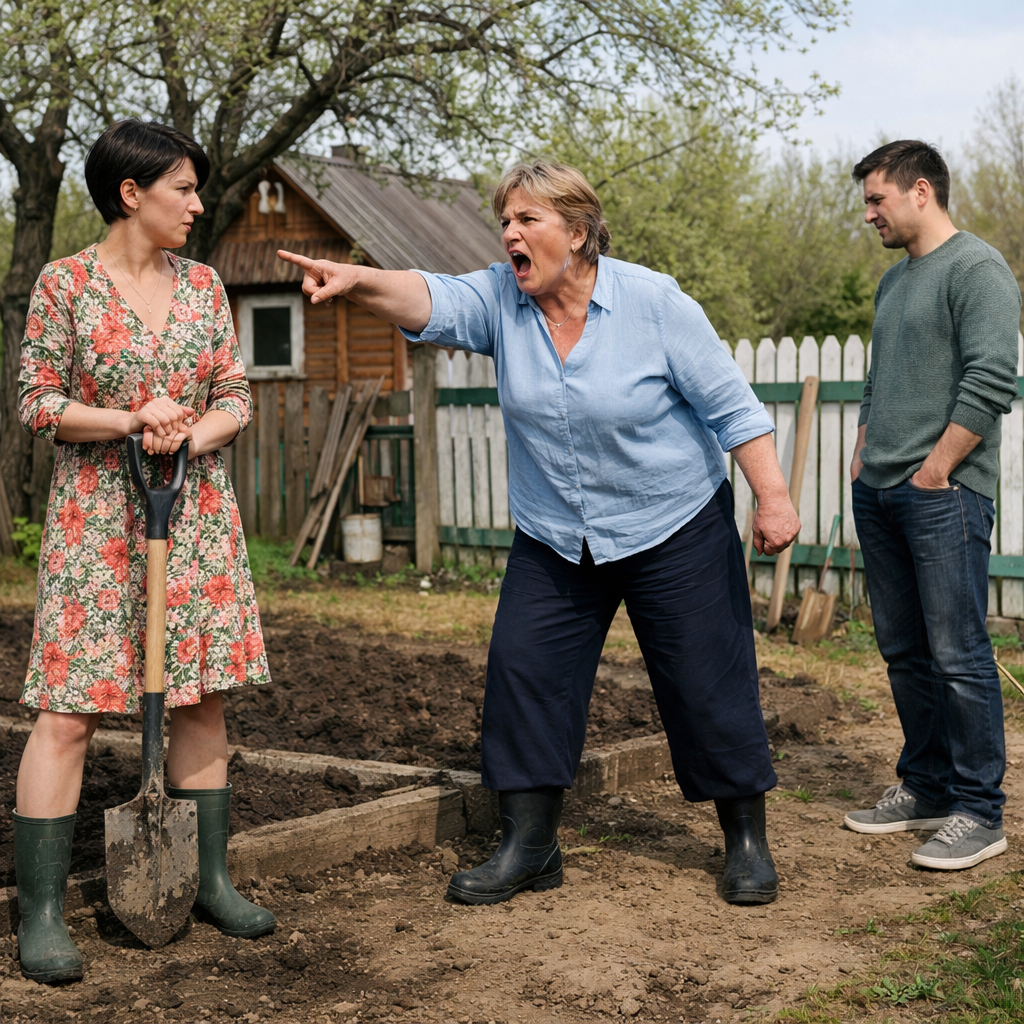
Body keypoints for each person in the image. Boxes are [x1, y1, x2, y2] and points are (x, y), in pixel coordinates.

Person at [278, 161, 801, 907]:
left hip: (672, 522)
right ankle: (530, 846)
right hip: (557, 532)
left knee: (706, 680)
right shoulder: (502, 298)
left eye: (528, 220)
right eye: (505, 221)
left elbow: (733, 407)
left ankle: (746, 841)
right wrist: (357, 279)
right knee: (524, 670)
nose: (510, 234)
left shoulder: (653, 303)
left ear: (579, 233)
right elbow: (431, 296)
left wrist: (772, 497)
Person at [14, 119, 277, 984]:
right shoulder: (65, 283)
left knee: (200, 700)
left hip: (191, 513)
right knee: (69, 711)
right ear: (131, 193)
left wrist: (190, 434)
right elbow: (38, 401)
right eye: (183, 189)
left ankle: (210, 880)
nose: (197, 205)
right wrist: (130, 419)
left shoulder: (204, 286)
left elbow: (234, 393)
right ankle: (41, 912)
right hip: (97, 525)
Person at [845, 141, 1021, 870]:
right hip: (880, 493)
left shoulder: (977, 268)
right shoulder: (894, 281)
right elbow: (876, 379)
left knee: (958, 655)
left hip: (943, 494)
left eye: (876, 199)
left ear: (921, 191)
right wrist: (863, 453)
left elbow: (993, 378)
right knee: (905, 653)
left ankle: (979, 811)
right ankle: (927, 787)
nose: (869, 214)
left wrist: (936, 469)